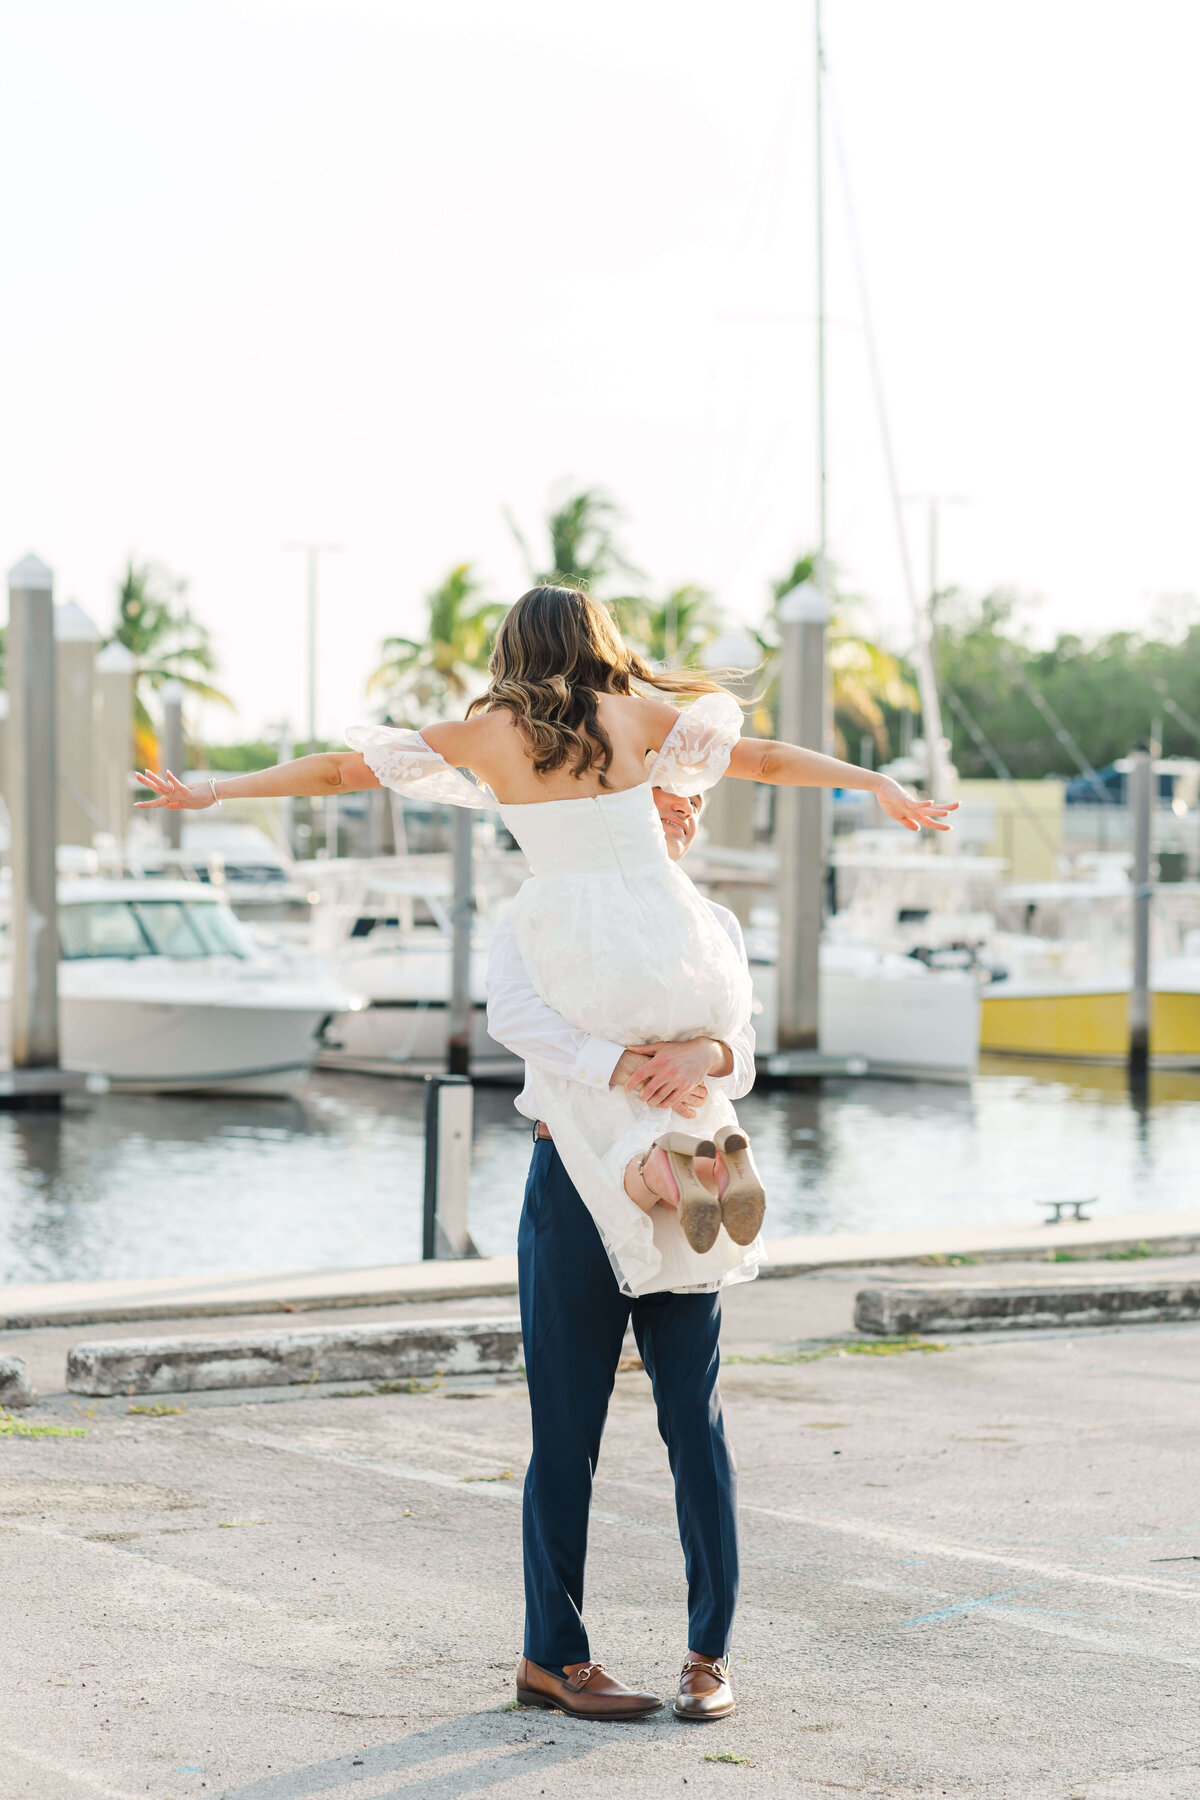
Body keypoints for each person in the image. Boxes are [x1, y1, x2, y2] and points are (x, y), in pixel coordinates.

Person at [136, 586, 953, 1312]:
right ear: (599, 644)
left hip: (578, 934)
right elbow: (768, 761)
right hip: (672, 926)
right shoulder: (635, 718)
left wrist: (219, 789)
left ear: (511, 651)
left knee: (589, 1085)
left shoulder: (488, 734)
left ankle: (665, 1175)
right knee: (681, 1072)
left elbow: (335, 776)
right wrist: (877, 783)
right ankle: (699, 1162)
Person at [486, 781, 756, 1721]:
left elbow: (746, 1052)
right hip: (573, 1179)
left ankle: (709, 1656)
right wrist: (625, 1064)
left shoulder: (711, 920)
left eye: (690, 802)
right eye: (660, 798)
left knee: (696, 1418)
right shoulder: (539, 907)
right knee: (566, 1429)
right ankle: (552, 1658)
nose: (676, 811)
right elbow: (514, 1018)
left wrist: (703, 1058)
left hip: (693, 1172)